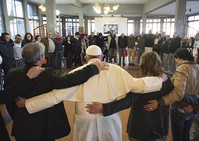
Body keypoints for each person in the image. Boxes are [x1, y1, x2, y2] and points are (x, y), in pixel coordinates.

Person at [16, 45, 164, 141]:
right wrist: (159, 80)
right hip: (109, 117)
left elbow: (55, 96)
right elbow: (139, 86)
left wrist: (28, 103)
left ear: (86, 58)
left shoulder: (76, 73)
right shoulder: (116, 70)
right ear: (102, 57)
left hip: (84, 117)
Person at [3, 42, 107, 141]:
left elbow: (9, 102)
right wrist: (93, 68)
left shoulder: (11, 74)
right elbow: (67, 81)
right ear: (41, 58)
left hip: (22, 124)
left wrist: (17, 117)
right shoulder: (46, 73)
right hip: (45, 126)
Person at [86, 52, 174, 141]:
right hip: (160, 128)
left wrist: (104, 108)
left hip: (140, 130)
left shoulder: (141, 85)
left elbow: (126, 102)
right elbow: (176, 96)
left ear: (142, 65)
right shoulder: (167, 81)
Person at [144, 48, 199, 141]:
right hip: (192, 108)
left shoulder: (182, 68)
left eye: (176, 59)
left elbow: (178, 93)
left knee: (178, 137)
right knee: (186, 135)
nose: (176, 62)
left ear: (179, 58)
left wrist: (160, 102)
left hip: (180, 107)